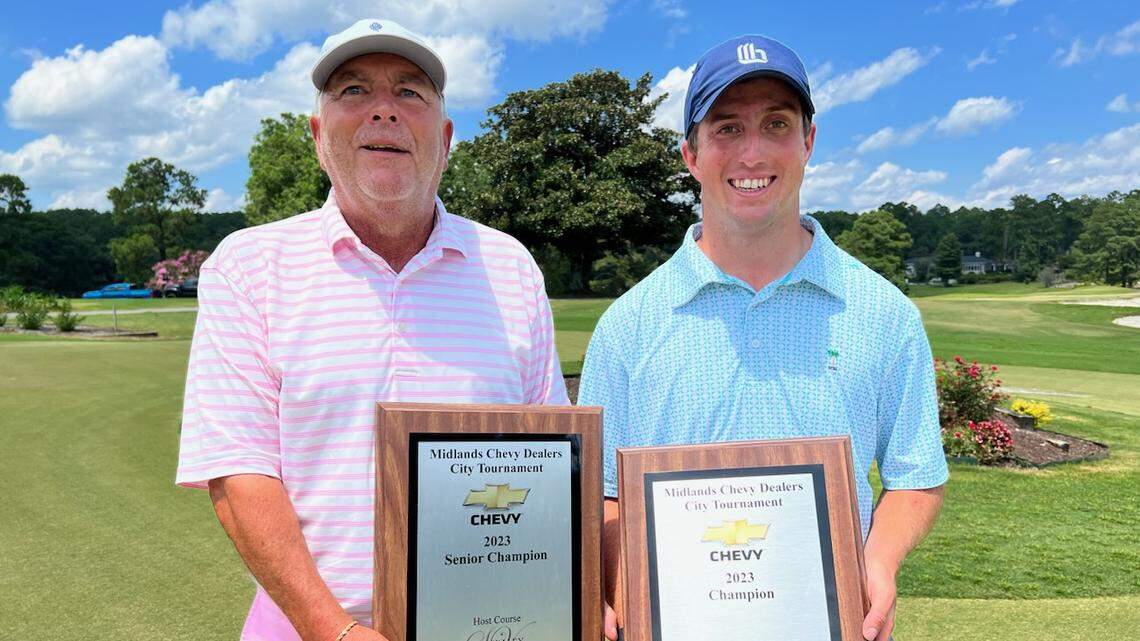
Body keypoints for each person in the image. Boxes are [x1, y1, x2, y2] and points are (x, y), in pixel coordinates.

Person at [176, 19, 579, 641]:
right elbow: (238, 471)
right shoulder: (249, 266)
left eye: (410, 93)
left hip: (492, 622)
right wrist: (333, 630)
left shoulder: (510, 266)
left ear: (444, 139)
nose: (384, 112)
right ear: (318, 135)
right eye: (354, 91)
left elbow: (551, 460)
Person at [578, 35, 947, 641]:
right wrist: (621, 582)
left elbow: (915, 476)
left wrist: (877, 562)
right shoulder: (628, 324)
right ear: (691, 155)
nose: (752, 153)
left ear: (808, 141)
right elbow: (606, 498)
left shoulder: (886, 315)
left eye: (776, 124)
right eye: (726, 128)